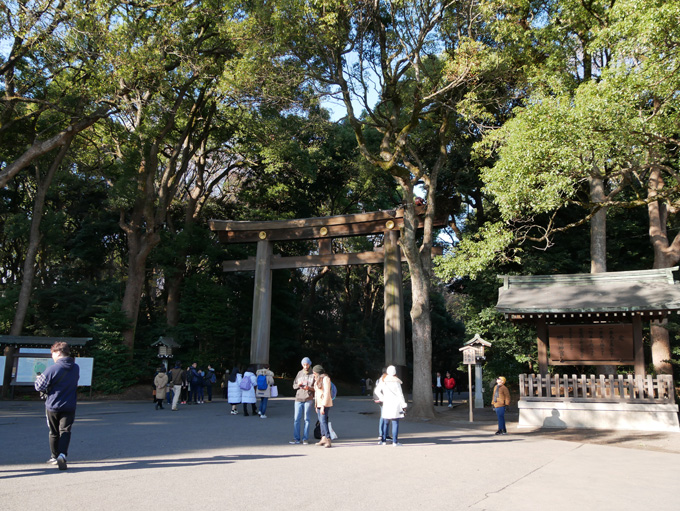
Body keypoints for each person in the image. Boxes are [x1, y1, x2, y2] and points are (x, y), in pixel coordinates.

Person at [34, 341, 81, 470]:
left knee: (54, 432)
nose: (52, 357)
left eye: (53, 353)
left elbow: (39, 386)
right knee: (65, 430)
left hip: (53, 404)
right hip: (70, 404)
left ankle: (54, 456)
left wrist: (39, 379)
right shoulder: (76, 367)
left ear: (58, 352)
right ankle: (62, 454)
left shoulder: (53, 369)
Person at [375, 365, 407, 446]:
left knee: (386, 422)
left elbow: (377, 391)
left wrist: (382, 398)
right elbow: (400, 395)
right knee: (395, 422)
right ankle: (395, 442)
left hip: (386, 403)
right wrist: (404, 405)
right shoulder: (396, 381)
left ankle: (383, 440)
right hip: (396, 404)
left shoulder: (383, 380)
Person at [290, 357, 314, 445]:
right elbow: (294, 386)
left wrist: (309, 388)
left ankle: (305, 438)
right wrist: (298, 384)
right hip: (298, 398)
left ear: (309, 364)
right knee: (296, 419)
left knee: (306, 419)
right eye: (304, 364)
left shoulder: (313, 374)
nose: (305, 366)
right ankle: (296, 438)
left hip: (308, 398)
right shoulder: (299, 373)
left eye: (307, 364)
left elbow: (316, 388)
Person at [312, 364, 334, 448]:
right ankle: (323, 437)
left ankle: (328, 439)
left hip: (324, 404)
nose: (313, 374)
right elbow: (317, 393)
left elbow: (326, 393)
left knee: (323, 421)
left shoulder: (326, 379)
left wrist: (323, 406)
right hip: (319, 403)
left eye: (314, 372)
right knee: (320, 421)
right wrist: (316, 405)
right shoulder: (317, 379)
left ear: (318, 372)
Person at [373, 368, 388, 439]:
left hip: (379, 399)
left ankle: (382, 433)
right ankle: (383, 433)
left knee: (383, 416)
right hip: (383, 400)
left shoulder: (378, 379)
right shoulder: (385, 379)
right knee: (384, 416)